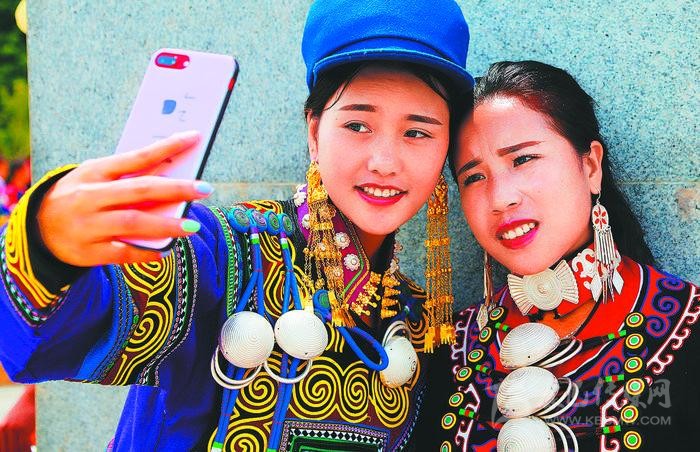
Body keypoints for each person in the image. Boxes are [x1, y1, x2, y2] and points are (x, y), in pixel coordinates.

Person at [0, 0, 474, 450]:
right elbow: (62, 329)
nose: (385, 162)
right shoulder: (224, 253)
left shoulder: (420, 323)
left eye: (417, 132)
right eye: (357, 125)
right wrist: (48, 245)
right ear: (314, 131)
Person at [417, 61, 698, 451]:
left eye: (523, 159)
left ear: (591, 166)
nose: (500, 198)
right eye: (474, 177)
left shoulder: (688, 328)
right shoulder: (450, 347)